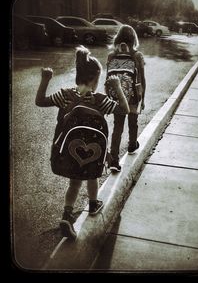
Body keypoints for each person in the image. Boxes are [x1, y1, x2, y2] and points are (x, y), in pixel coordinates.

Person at [35, 45, 129, 239]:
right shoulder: (99, 100)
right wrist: (118, 88)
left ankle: (66, 215)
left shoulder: (65, 95)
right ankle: (94, 203)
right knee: (92, 175)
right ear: (95, 80)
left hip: (69, 151)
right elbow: (124, 110)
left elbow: (40, 101)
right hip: (93, 153)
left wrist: (45, 80)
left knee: (75, 184)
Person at [106, 25, 146, 173]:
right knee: (133, 121)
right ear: (133, 39)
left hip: (117, 95)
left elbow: (108, 78)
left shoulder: (112, 56)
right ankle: (132, 144)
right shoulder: (137, 55)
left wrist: (110, 95)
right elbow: (142, 78)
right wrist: (143, 97)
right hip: (133, 94)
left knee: (118, 127)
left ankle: (114, 161)